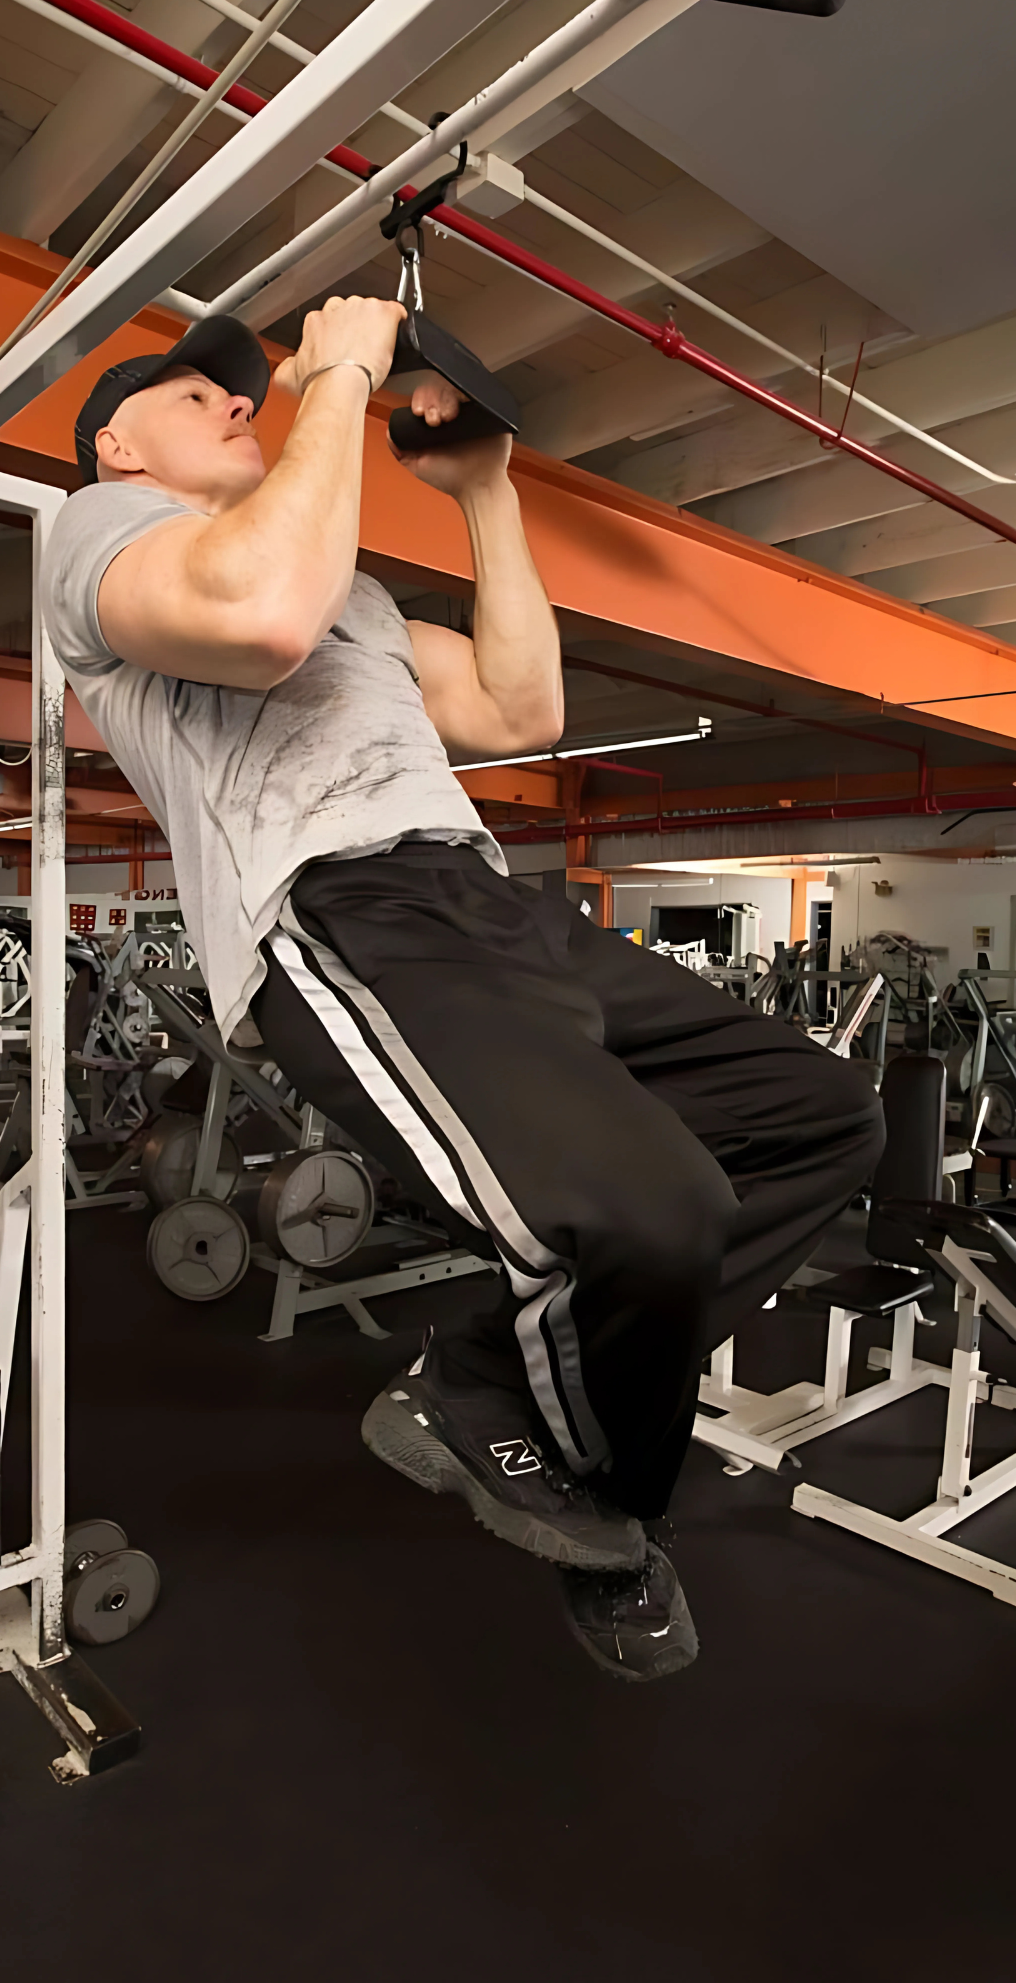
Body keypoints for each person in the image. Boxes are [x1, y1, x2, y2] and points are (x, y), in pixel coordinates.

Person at [43, 297, 885, 1682]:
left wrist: (489, 494)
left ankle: (483, 1379)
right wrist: (347, 371)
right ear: (116, 446)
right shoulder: (97, 536)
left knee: (820, 1113)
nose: (238, 404)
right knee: (644, 1213)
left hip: (487, 899)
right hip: (345, 913)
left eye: (242, 393)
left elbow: (518, 711)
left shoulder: (354, 599)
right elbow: (252, 613)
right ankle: (609, 1509)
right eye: (200, 399)